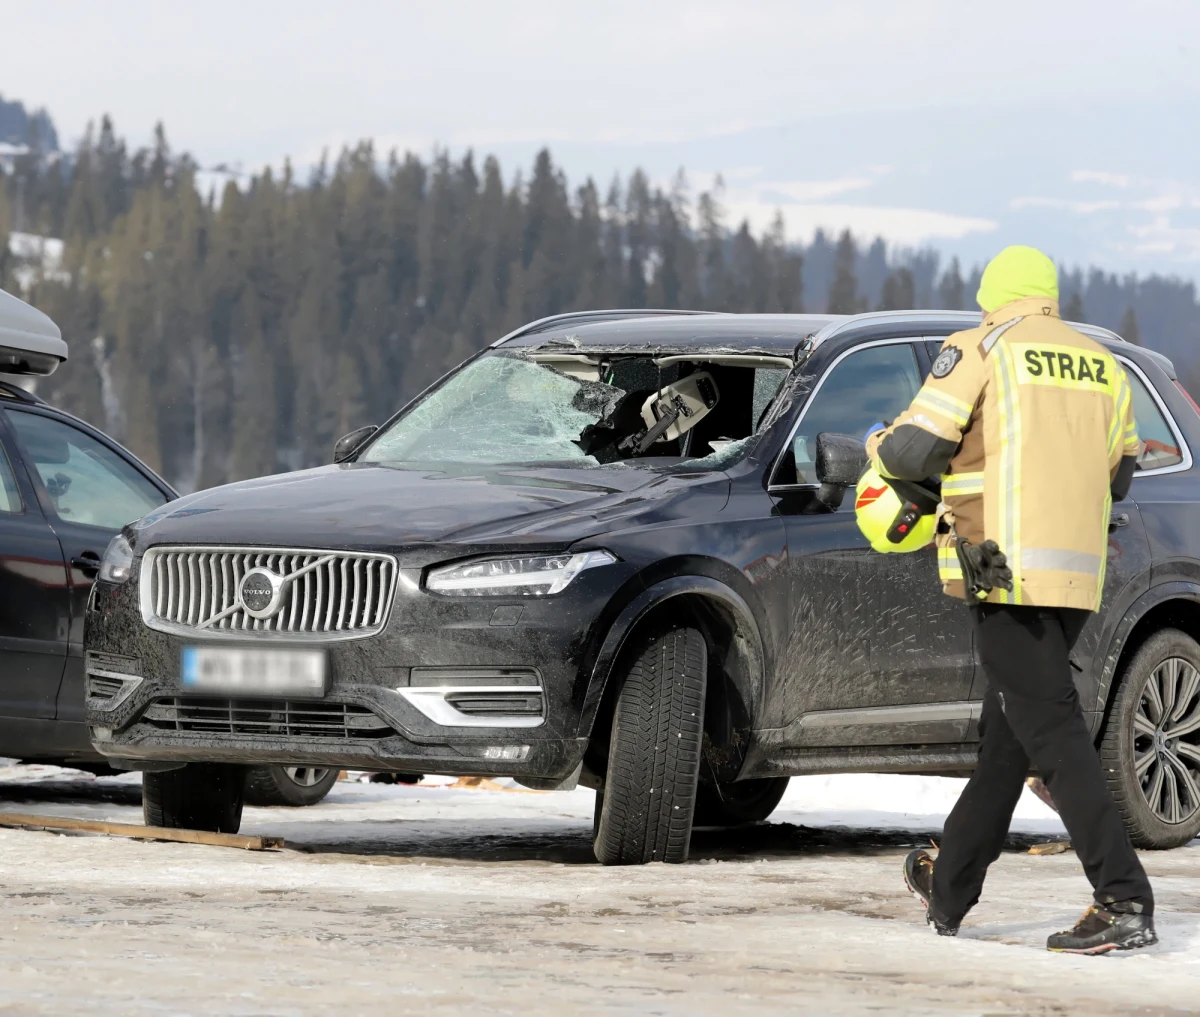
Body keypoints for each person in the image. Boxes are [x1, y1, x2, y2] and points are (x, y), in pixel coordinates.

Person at [863, 245, 1156, 954]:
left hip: (1001, 568)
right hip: (1076, 577)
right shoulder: (1102, 363)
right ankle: (951, 887)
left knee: (1049, 729)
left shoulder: (981, 346)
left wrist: (876, 443)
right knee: (1010, 735)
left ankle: (1123, 898)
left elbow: (913, 451)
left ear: (992, 296)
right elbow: (1120, 477)